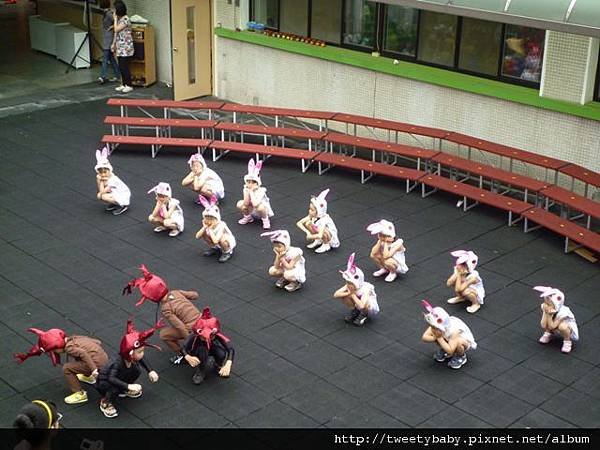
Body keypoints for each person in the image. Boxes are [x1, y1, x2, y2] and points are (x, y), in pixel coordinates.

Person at [123, 264, 201, 364]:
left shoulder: (166, 309)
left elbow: (180, 327)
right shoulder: (176, 292)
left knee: (164, 335)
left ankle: (182, 355)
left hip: (193, 328)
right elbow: (195, 295)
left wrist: (189, 339)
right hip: (202, 319)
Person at [14, 328, 109, 405]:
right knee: (79, 359)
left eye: (53, 351)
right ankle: (88, 376)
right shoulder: (75, 338)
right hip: (104, 359)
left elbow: (83, 353)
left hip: (97, 365)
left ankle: (80, 393)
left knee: (67, 368)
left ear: (57, 347)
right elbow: (98, 342)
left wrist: (94, 370)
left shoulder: (69, 348)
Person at [94, 319, 161, 418]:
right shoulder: (117, 363)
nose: (142, 354)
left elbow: (141, 359)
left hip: (118, 377)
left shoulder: (130, 359)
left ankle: (123, 390)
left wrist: (150, 371)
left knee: (136, 370)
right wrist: (128, 386)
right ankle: (105, 402)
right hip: (104, 383)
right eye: (140, 352)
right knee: (114, 389)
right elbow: (111, 378)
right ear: (129, 353)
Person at [182, 307, 234, 385]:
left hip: (212, 348)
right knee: (202, 352)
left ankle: (217, 366)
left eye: (211, 336)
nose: (207, 338)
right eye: (203, 336)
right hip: (198, 350)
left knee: (221, 353)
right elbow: (183, 348)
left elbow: (230, 349)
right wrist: (188, 356)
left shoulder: (217, 336)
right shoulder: (194, 337)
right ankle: (201, 371)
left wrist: (228, 363)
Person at [421, 300, 477, 369]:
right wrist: (435, 337)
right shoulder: (435, 327)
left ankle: (461, 356)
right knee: (436, 336)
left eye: (434, 327)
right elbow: (424, 337)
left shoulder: (454, 331)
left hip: (461, 341)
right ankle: (444, 349)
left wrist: (439, 338)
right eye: (432, 326)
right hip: (448, 339)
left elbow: (450, 350)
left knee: (458, 343)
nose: (433, 328)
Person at [333, 252, 379, 326]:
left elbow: (362, 305)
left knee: (366, 304)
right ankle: (355, 311)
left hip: (369, 307)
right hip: (358, 303)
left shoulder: (366, 289)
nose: (348, 285)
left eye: (350, 283)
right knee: (343, 297)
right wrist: (348, 293)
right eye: (347, 282)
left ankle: (364, 315)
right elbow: (336, 295)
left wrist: (352, 294)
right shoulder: (348, 286)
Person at [534, 286, 579, 354]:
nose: (546, 304)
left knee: (562, 327)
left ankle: (567, 341)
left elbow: (552, 326)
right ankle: (548, 333)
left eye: (549, 302)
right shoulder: (546, 307)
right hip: (552, 323)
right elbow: (543, 325)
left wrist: (549, 315)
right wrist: (546, 312)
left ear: (556, 303)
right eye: (546, 301)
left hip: (564, 325)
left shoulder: (564, 312)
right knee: (548, 323)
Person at [296, 188, 340, 254]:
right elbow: (299, 223)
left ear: (319, 211)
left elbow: (320, 234)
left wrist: (311, 236)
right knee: (308, 223)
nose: (309, 211)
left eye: (312, 210)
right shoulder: (313, 216)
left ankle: (326, 244)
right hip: (320, 232)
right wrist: (308, 232)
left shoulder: (324, 219)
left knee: (323, 230)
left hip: (331, 239)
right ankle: (318, 241)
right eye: (309, 209)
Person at [195, 195, 236, 263]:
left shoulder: (222, 225)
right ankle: (214, 248)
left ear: (217, 219)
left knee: (222, 239)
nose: (209, 221)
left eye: (211, 219)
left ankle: (226, 252)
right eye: (207, 218)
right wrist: (204, 227)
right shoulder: (207, 225)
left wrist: (210, 229)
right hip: (214, 240)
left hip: (224, 241)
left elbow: (216, 240)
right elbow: (197, 236)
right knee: (203, 233)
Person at [237, 158, 274, 229]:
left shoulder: (261, 190)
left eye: (253, 182)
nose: (250, 184)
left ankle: (265, 220)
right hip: (252, 209)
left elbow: (256, 204)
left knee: (260, 207)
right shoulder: (246, 189)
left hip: (261, 210)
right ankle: (248, 217)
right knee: (239, 204)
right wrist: (247, 191)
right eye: (248, 182)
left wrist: (251, 192)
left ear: (257, 183)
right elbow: (246, 203)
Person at [94, 145, 130, 215]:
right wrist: (99, 181)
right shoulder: (106, 177)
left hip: (123, 195)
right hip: (116, 192)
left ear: (109, 170)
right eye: (101, 173)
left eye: (105, 172)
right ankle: (115, 203)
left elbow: (102, 192)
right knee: (100, 196)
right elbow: (100, 189)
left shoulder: (113, 180)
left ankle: (123, 205)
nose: (103, 174)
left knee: (101, 196)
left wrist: (100, 180)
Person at [112, 1, 134, 93]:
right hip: (120, 46)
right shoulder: (120, 19)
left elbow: (116, 29)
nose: (113, 11)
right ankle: (124, 84)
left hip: (126, 47)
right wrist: (113, 44)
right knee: (121, 66)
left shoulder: (125, 19)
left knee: (124, 66)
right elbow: (116, 33)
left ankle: (129, 85)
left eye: (114, 9)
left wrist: (115, 19)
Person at [97, 0, 121, 84]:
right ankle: (118, 75)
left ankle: (102, 76)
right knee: (111, 59)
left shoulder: (108, 14)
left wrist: (112, 27)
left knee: (105, 59)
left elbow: (117, 20)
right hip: (107, 38)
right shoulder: (107, 13)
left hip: (108, 39)